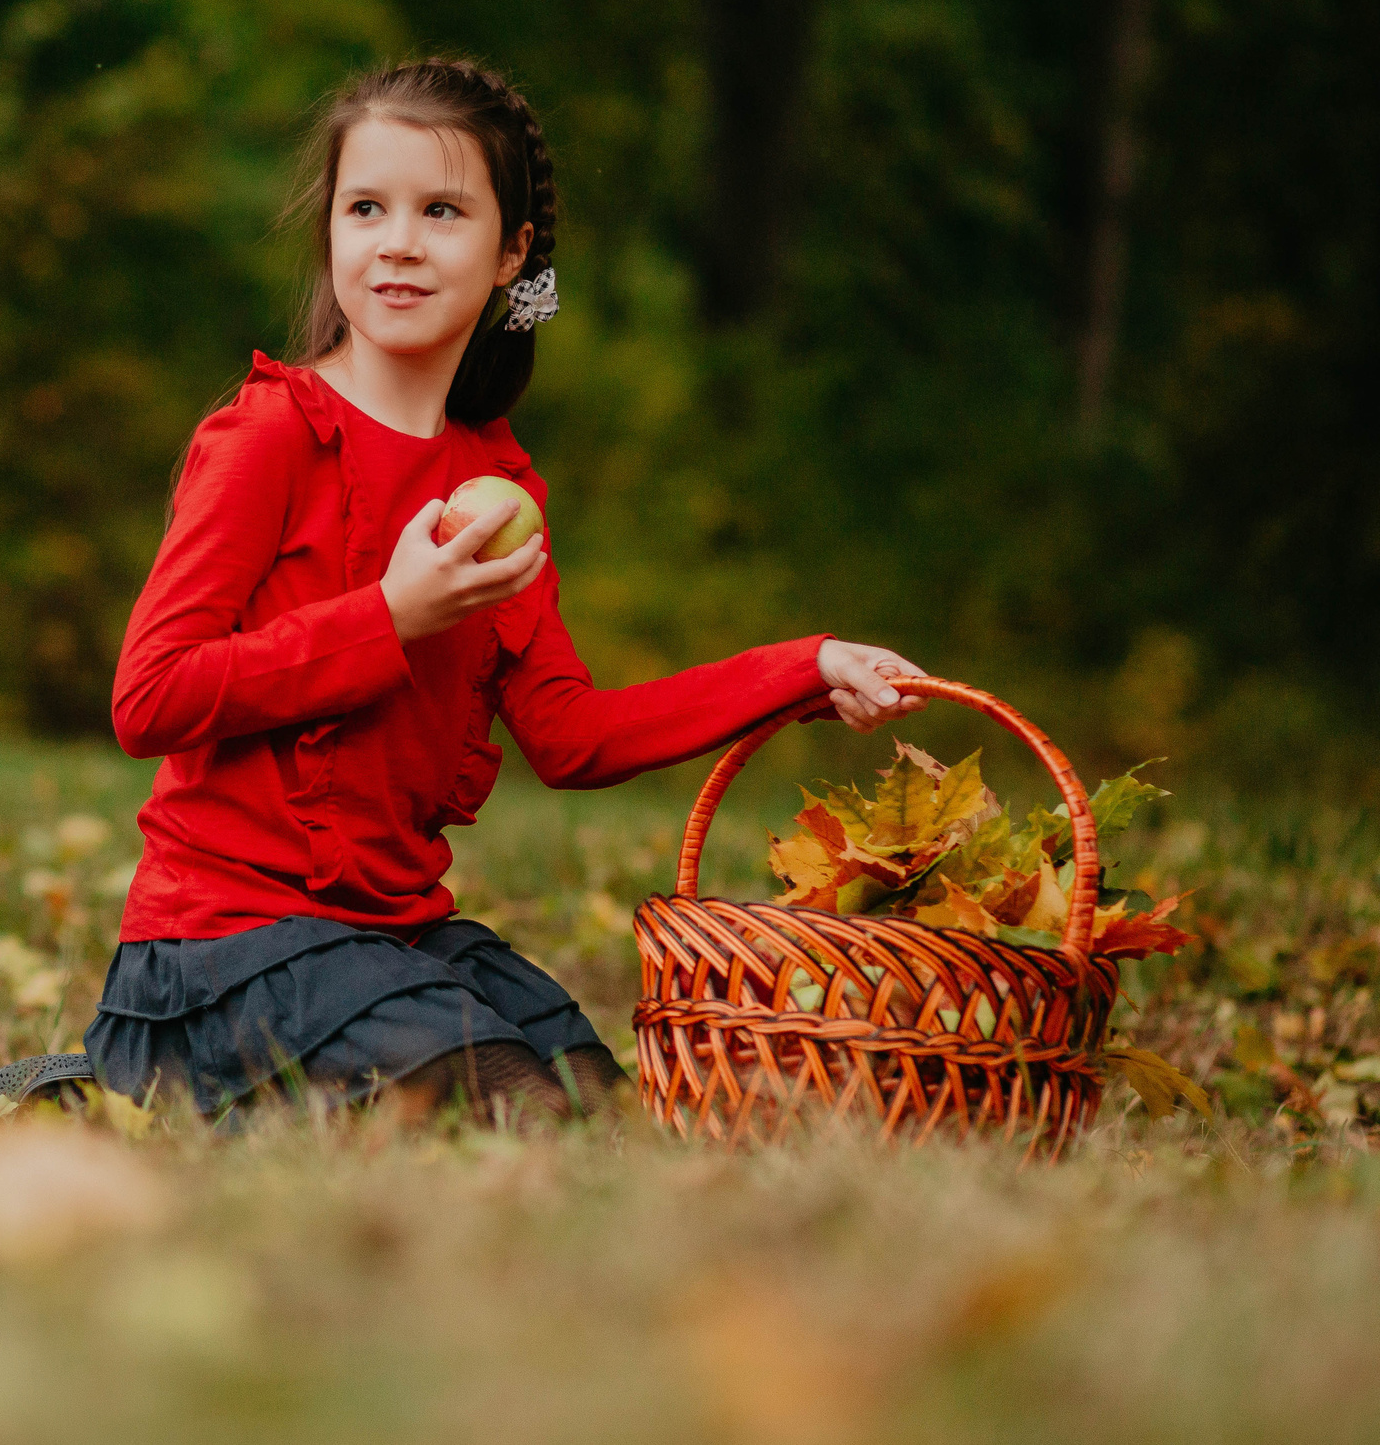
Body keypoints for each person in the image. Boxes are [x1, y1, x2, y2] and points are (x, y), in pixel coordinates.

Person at [84, 57, 924, 1126]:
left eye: (441, 210)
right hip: (224, 949)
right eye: (365, 208)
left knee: (590, 1108)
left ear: (510, 254)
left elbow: (570, 736)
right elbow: (149, 697)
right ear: (330, 231)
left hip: (385, 939)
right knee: (511, 1109)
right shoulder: (269, 437)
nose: (397, 240)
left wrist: (801, 667)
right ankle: (143, 1086)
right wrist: (390, 618)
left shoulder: (497, 485)